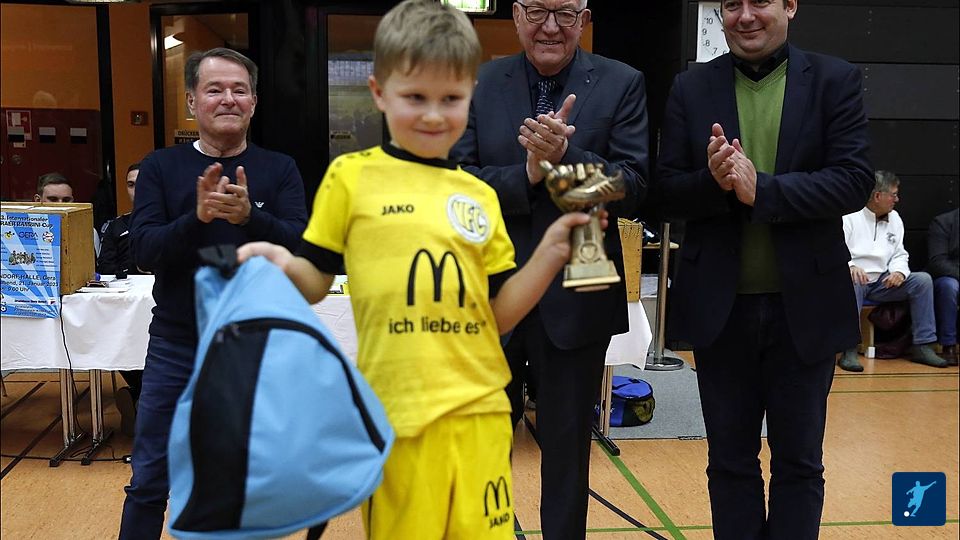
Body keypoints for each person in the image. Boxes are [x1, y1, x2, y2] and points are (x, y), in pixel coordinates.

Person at [239, 1, 595, 537]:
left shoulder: (479, 194)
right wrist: (282, 263)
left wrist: (548, 255)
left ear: (469, 96)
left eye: (450, 99)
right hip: (396, 419)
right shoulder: (351, 179)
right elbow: (315, 282)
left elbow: (498, 315)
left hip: (479, 414)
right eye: (415, 98)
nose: (433, 115)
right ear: (380, 92)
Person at [657, 1, 874, 539]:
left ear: (790, 6)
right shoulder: (691, 87)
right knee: (729, 462)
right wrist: (712, 182)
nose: (745, 15)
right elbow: (663, 191)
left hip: (805, 310)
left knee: (799, 463)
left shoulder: (834, 80)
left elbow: (852, 180)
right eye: (732, 4)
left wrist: (765, 191)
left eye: (760, 2)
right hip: (720, 312)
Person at [450, 1, 649, 535]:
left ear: (585, 17)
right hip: (493, 289)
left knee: (567, 449)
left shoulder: (621, 82)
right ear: (516, 16)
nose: (551, 26)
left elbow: (633, 187)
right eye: (538, 11)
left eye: (565, 12)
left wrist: (565, 161)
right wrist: (527, 175)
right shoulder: (480, 84)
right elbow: (457, 186)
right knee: (481, 443)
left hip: (580, 283)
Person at [119, 48, 307, 539]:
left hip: (253, 346)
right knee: (150, 478)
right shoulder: (161, 167)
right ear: (191, 101)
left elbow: (301, 248)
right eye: (215, 89)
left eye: (239, 90)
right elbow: (144, 250)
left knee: (246, 477)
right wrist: (197, 218)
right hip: (177, 344)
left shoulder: (280, 168)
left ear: (254, 102)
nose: (228, 99)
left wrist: (251, 218)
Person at [840, 171, 946, 371]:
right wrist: (851, 266)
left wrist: (899, 272)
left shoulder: (895, 218)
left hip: (881, 282)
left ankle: (923, 345)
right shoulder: (849, 217)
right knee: (852, 282)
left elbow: (900, 253)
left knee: (922, 281)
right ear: (877, 196)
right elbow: (837, 249)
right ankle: (849, 349)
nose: (897, 199)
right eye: (894, 194)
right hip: (854, 280)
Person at [97, 161, 144, 437]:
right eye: (131, 184)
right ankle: (140, 393)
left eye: (142, 183)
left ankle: (138, 395)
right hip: (125, 304)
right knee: (115, 339)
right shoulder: (116, 226)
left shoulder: (171, 223)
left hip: (160, 303)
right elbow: (105, 267)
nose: (136, 190)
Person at [35, 172, 101, 257]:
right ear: (38, 201)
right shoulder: (24, 230)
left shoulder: (87, 232)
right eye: (53, 199)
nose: (60, 204)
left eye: (66, 200)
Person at [927, 207, 959, 365]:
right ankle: (949, 345)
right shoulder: (944, 222)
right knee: (949, 286)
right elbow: (937, 262)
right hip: (951, 275)